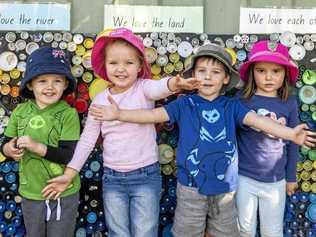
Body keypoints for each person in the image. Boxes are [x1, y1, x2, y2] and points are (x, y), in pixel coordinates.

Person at [45, 43, 316, 237]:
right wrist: (119, 114)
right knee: (187, 231)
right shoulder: (183, 104)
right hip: (189, 188)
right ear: (193, 77)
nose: (208, 76)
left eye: (215, 72)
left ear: (225, 80)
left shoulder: (232, 106)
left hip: (226, 189)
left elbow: (259, 122)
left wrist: (291, 134)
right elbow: (151, 116)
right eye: (202, 71)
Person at [42, 27, 199, 237]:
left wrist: (174, 83)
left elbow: (160, 87)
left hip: (145, 175)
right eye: (113, 63)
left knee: (145, 232)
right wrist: (69, 174)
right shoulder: (99, 100)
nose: (121, 69)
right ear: (105, 66)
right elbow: (88, 140)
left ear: (140, 66)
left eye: (129, 63)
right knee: (118, 232)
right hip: (113, 179)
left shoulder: (143, 88)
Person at [1, 46, 80, 237]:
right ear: (30, 85)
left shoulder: (68, 114)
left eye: (57, 81)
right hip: (31, 192)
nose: (50, 87)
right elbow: (5, 143)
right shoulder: (20, 112)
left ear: (65, 85)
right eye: (42, 80)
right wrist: (8, 149)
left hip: (63, 192)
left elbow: (68, 155)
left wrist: (37, 147)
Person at [235, 40, 306, 237]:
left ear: (285, 74)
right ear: (252, 72)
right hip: (244, 178)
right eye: (261, 70)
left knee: (272, 231)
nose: (268, 77)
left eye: (276, 71)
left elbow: (293, 144)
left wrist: (291, 177)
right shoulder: (241, 101)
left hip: (276, 180)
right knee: (244, 230)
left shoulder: (289, 103)